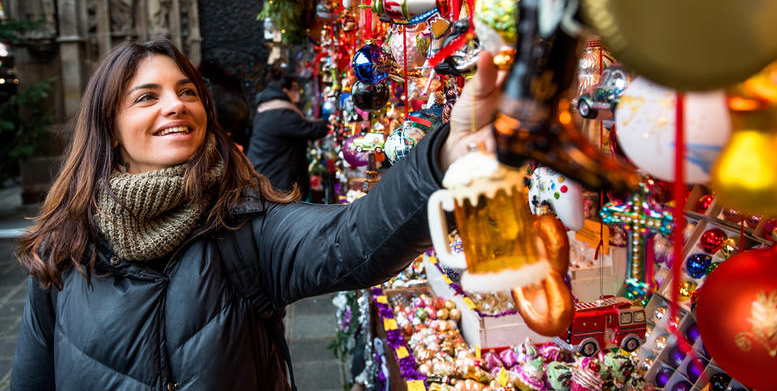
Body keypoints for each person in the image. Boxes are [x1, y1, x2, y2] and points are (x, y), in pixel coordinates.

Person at [10, 39, 503, 390]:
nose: (176, 106)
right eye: (146, 97)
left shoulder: (244, 226)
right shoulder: (65, 247)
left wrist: (444, 158)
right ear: (111, 129)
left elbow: (352, 239)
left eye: (187, 92)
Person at [246, 67, 329, 199]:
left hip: (267, 176)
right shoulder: (281, 113)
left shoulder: (268, 109)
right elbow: (310, 130)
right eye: (295, 90)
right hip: (275, 183)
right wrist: (330, 123)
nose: (298, 95)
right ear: (285, 91)